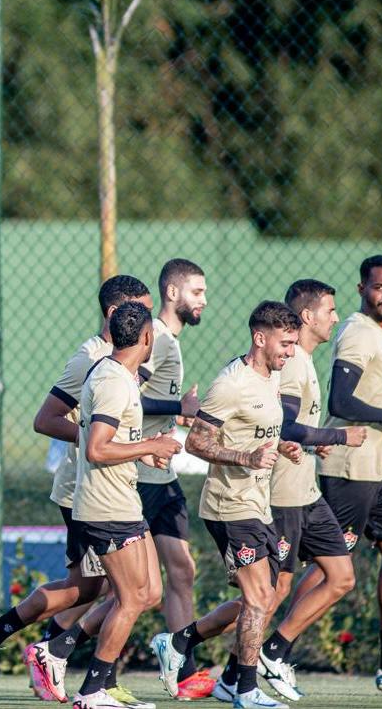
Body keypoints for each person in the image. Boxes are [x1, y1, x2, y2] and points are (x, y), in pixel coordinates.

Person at [0, 276, 153, 701]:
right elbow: (46, 419)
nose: (149, 319)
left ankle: (9, 640)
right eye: (141, 309)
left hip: (109, 482)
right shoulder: (90, 359)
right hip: (84, 489)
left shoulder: (124, 361)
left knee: (95, 588)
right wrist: (98, 441)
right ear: (115, 314)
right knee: (114, 590)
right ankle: (57, 658)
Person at [151, 301, 301, 709]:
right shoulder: (231, 383)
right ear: (260, 338)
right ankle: (245, 689)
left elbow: (253, 432)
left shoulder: (271, 377)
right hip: (229, 505)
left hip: (258, 504)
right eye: (285, 343)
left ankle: (178, 641)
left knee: (263, 598)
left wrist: (279, 446)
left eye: (294, 344)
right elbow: (197, 441)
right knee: (257, 598)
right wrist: (246, 458)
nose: (291, 351)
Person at [306, 255, 382, 693]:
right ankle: (272, 652)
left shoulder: (380, 333)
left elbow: (365, 403)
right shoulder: (358, 331)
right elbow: (341, 401)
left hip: (380, 467)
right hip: (350, 470)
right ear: (362, 289)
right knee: (327, 569)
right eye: (379, 287)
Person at [56, 301, 181, 709]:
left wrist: (143, 454)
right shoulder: (112, 379)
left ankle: (73, 659)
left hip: (124, 502)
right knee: (129, 597)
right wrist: (152, 443)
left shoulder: (121, 376)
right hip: (106, 506)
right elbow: (95, 449)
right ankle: (93, 689)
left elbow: (111, 439)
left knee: (150, 592)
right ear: (145, 339)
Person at [251, 280, 365, 702]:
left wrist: (313, 439)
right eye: (330, 311)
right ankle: (223, 664)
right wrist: (335, 437)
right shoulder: (294, 362)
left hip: (307, 493)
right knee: (270, 592)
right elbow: (284, 425)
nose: (336, 318)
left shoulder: (306, 360)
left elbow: (296, 428)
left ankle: (273, 650)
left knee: (341, 576)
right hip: (282, 496)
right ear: (307, 317)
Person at [136, 259, 210, 699]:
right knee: (114, 588)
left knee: (182, 569)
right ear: (172, 293)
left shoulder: (171, 343)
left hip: (161, 476)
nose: (204, 300)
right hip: (136, 477)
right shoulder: (157, 340)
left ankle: (186, 674)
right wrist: (179, 408)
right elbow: (123, 396)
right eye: (197, 292)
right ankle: (54, 647)